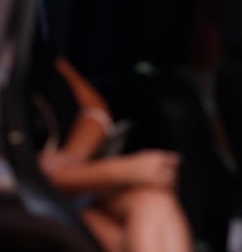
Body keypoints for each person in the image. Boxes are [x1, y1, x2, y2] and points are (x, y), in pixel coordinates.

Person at [33, 52, 192, 252]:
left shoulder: (43, 54)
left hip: (75, 190)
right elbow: (27, 174)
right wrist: (126, 170)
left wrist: (70, 159)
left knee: (155, 201)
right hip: (31, 204)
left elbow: (95, 109)